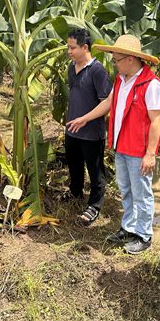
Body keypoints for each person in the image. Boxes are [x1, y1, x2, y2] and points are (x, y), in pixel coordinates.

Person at [68, 35, 160, 254]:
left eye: (116, 60)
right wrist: (85, 118)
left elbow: (156, 120)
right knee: (126, 190)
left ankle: (144, 235)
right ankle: (128, 228)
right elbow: (109, 103)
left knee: (142, 193)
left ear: (131, 59)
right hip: (121, 145)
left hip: (139, 150)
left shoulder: (151, 84)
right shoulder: (121, 80)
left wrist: (150, 153)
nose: (114, 64)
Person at [64, 28, 112, 225]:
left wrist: (85, 118)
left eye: (73, 48)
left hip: (92, 132)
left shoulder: (98, 71)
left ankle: (95, 205)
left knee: (95, 171)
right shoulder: (71, 68)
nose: (69, 51)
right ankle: (75, 193)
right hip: (72, 130)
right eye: (68, 47)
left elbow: (107, 103)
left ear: (85, 47)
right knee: (74, 166)